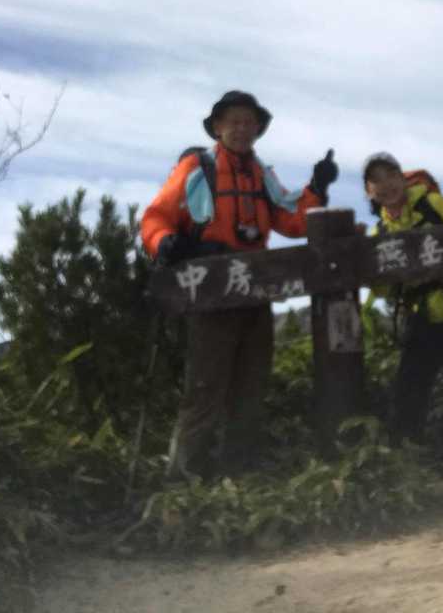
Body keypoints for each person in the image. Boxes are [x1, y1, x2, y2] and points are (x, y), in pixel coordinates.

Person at [141, 90, 337, 480]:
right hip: (211, 293)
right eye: (234, 121)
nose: (242, 128)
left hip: (254, 291)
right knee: (205, 389)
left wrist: (317, 186)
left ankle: (239, 479)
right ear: (218, 127)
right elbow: (155, 217)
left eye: (249, 122)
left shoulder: (262, 175)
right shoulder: (197, 168)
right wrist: (164, 243)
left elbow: (292, 220)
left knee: (251, 387)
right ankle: (183, 483)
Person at [363, 152, 443, 476]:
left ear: (403, 178)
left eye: (391, 175)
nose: (386, 185)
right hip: (421, 314)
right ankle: (410, 467)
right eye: (376, 180)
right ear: (369, 191)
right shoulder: (379, 233)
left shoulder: (432, 203)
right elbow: (382, 289)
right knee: (408, 390)